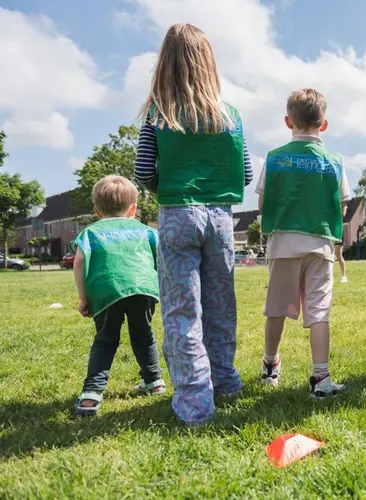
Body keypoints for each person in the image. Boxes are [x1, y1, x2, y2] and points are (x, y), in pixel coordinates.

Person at [134, 24, 253, 426]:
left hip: (177, 216)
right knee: (221, 308)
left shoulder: (158, 113)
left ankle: (195, 402)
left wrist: (165, 188)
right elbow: (247, 173)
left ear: (165, 63)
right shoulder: (231, 115)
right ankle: (226, 382)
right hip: (220, 218)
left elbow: (143, 171)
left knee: (183, 312)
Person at [256, 88, 351, 398]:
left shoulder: (274, 158)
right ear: (323, 124)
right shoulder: (335, 161)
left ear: (288, 121)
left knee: (277, 309)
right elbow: (344, 206)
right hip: (321, 243)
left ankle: (271, 365)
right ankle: (320, 379)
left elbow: (261, 204)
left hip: (283, 241)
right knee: (319, 312)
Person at [73, 176, 165, 417]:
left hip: (106, 292)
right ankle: (154, 382)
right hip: (143, 289)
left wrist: (83, 298)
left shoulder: (90, 232)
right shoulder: (147, 231)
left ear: (96, 210)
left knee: (105, 340)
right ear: (133, 208)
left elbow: (80, 262)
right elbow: (161, 260)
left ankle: (92, 395)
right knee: (144, 335)